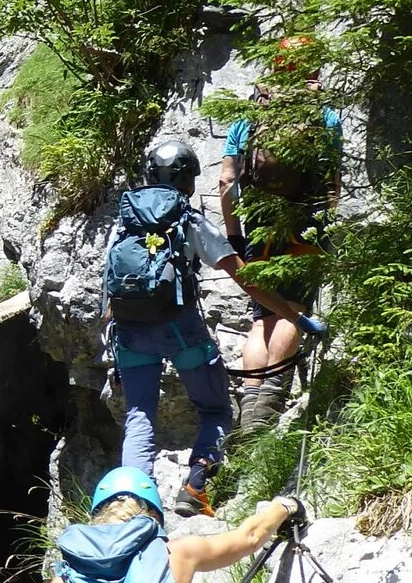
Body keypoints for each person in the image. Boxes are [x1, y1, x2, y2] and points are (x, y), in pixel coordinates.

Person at [105, 141, 327, 517]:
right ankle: (196, 488)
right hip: (181, 330)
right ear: (188, 180)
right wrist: (294, 317)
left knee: (139, 415)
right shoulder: (189, 221)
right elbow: (247, 280)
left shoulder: (124, 222)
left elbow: (109, 288)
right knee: (215, 410)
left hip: (130, 332)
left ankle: (134, 509)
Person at [218, 36, 343, 437]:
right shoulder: (324, 116)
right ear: (312, 69)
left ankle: (248, 408)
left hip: (257, 226)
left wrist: (235, 238)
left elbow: (225, 180)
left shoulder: (250, 114)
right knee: (292, 305)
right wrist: (327, 225)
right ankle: (269, 405)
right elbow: (332, 184)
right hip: (304, 223)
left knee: (261, 317)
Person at [36, 466, 306, 583]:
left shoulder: (67, 577)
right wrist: (285, 507)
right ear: (153, 512)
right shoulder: (176, 553)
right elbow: (249, 538)